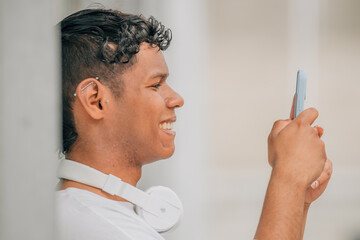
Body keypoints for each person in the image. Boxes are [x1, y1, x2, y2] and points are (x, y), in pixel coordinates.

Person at [56, 8, 333, 240]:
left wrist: (297, 200)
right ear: (95, 100)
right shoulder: (96, 227)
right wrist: (288, 176)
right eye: (156, 85)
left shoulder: (92, 213)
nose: (177, 99)